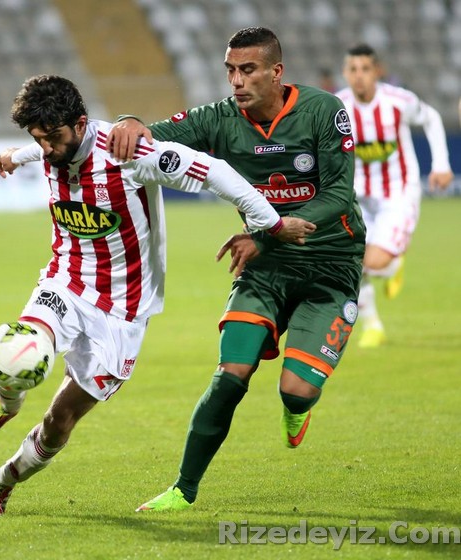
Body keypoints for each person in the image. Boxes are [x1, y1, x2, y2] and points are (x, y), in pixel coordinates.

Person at [0, 74, 316, 516]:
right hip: (65, 281)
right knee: (20, 347)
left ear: (81, 124)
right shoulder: (51, 145)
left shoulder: (129, 154)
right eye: (38, 140)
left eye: (53, 138)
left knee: (58, 422)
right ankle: (6, 405)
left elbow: (216, 173)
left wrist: (272, 224)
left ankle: (2, 480)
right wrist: (14, 156)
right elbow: (42, 147)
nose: (47, 149)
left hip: (123, 308)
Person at [106, 26, 366, 512]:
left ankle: (298, 409)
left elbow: (337, 194)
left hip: (331, 267)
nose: (237, 81)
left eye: (248, 70)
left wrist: (265, 232)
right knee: (231, 374)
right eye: (230, 70)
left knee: (296, 391)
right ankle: (183, 489)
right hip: (265, 268)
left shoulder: (323, 110)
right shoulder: (220, 118)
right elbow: (150, 136)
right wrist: (128, 121)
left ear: (276, 71)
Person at [336, 44, 453, 348]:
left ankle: (392, 265)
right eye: (352, 69)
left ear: (377, 71)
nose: (359, 76)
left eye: (365, 69)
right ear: (345, 73)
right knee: (350, 261)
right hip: (359, 197)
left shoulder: (398, 101)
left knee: (373, 262)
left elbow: (431, 117)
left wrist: (441, 164)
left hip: (398, 193)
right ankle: (372, 325)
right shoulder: (337, 107)